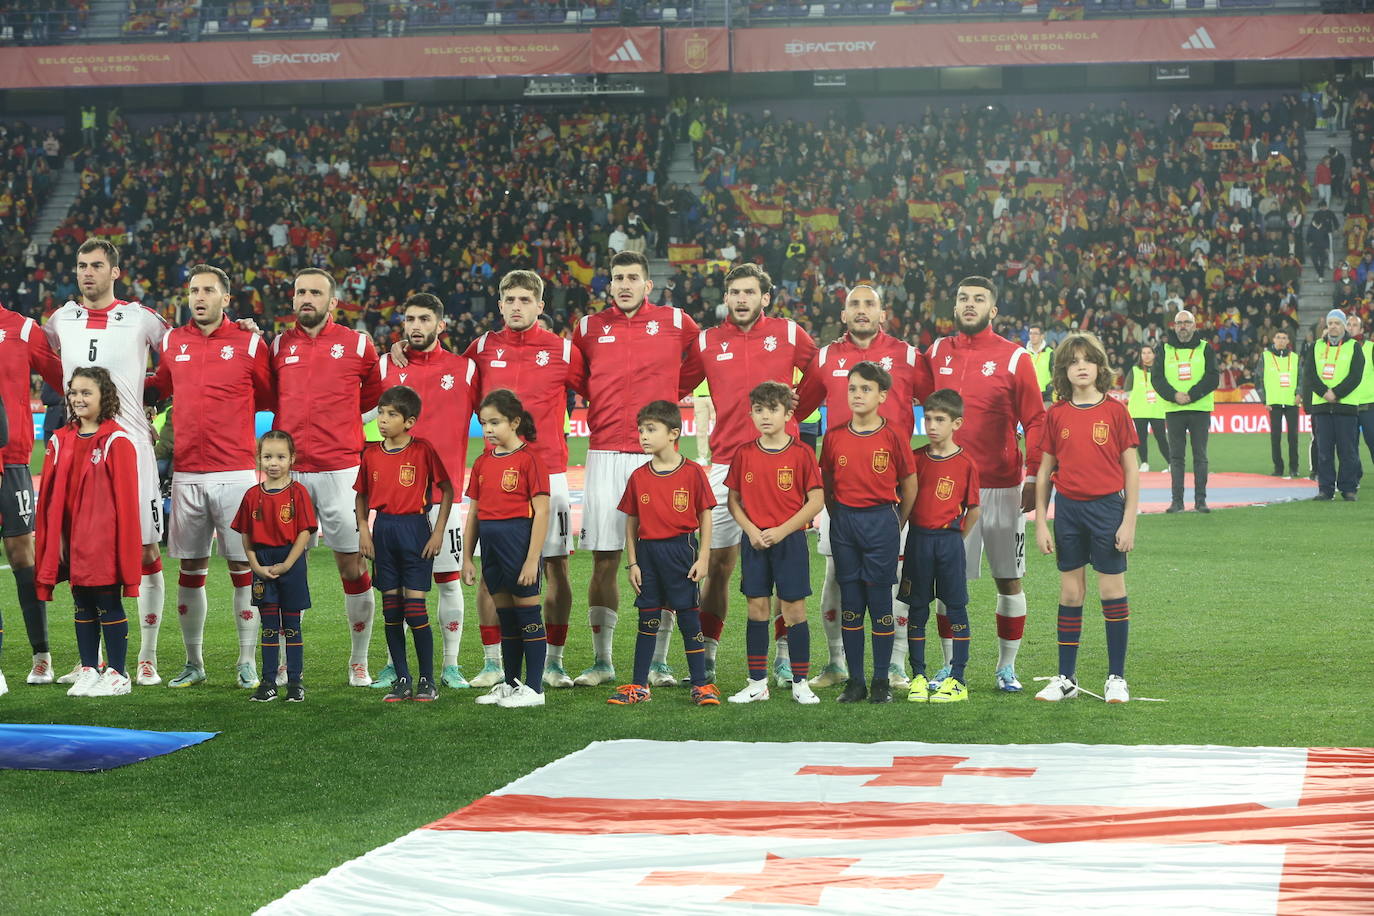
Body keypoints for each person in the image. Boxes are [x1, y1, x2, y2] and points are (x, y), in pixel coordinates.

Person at [679, 263, 817, 684]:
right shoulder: (707, 341)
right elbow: (676, 383)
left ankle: (781, 655)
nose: (741, 299)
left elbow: (821, 373)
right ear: (726, 297)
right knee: (718, 564)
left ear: (765, 297)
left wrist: (798, 412)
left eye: (749, 292)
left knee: (782, 563)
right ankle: (708, 654)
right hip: (726, 464)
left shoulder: (790, 334)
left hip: (781, 466)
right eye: (734, 292)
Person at [569, 251, 699, 688]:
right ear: (608, 285)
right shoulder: (588, 328)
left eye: (633, 278)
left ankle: (659, 663)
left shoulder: (678, 322)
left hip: (656, 456)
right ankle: (603, 661)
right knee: (605, 560)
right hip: (605, 452)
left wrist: (668, 392)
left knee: (663, 560)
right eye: (617, 278)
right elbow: (576, 377)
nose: (624, 285)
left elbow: (700, 361)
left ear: (649, 284)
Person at [44, 240, 170, 687]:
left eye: (97, 266)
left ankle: (146, 658)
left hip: (131, 452)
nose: (88, 273)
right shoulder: (61, 319)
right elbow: (42, 358)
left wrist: (154, 397)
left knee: (144, 550)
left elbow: (186, 353)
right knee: (82, 550)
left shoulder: (141, 318)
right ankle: (90, 662)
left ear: (115, 271)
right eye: (81, 266)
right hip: (79, 454)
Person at [796, 283, 931, 690]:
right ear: (843, 314)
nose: (860, 310)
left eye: (868, 304)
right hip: (841, 497)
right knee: (836, 579)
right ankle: (837, 663)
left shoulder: (908, 356)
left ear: (882, 312)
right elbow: (798, 411)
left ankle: (895, 666)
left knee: (894, 584)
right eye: (853, 304)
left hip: (890, 498)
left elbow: (940, 405)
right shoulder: (826, 356)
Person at [144, 264, 273, 690]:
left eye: (208, 291)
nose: (199, 297)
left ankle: (246, 661)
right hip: (187, 475)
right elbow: (158, 386)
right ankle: (194, 663)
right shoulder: (172, 340)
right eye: (194, 290)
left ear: (225, 299)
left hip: (236, 473)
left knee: (243, 568)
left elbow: (272, 393)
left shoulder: (249, 342)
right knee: (191, 569)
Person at [461, 272, 586, 689]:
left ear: (540, 305)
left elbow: (598, 391)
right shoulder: (480, 349)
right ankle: (493, 662)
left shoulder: (562, 351)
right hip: (495, 474)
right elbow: (453, 389)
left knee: (556, 566)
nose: (516, 306)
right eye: (509, 299)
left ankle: (554, 661)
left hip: (549, 473)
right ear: (499, 305)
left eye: (525, 299)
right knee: (491, 566)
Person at [924, 276, 1046, 693]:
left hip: (1000, 487)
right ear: (954, 306)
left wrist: (1032, 475)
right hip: (945, 489)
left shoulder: (1014, 358)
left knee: (1008, 578)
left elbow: (1036, 419)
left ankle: (1005, 668)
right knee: (946, 579)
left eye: (979, 300)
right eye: (963, 298)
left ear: (993, 310)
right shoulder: (937, 351)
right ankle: (947, 666)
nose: (969, 304)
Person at [270, 267, 383, 685]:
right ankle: (283, 661)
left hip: (341, 471)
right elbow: (267, 391)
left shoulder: (357, 345)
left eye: (315, 293)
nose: (307, 299)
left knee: (352, 565)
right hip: (290, 472)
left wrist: (341, 427)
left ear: (333, 302)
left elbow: (372, 394)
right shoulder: (278, 345)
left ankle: (358, 660)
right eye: (300, 291)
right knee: (282, 567)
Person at [372, 293, 478, 692]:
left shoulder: (465, 369)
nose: (415, 326)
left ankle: (450, 665)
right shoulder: (385, 365)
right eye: (410, 319)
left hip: (441, 500)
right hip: (394, 504)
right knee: (392, 586)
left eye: (424, 319)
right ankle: (391, 664)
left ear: (441, 325)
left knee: (449, 580)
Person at [1033, 333, 1139, 704]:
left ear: (1099, 367)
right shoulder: (1056, 414)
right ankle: (1066, 678)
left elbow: (1132, 471)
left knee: (1111, 591)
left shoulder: (1115, 412)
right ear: (1063, 370)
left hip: (1107, 509)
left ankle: (1116, 678)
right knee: (1071, 592)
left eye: (1087, 360)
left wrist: (1129, 522)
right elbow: (1045, 472)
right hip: (1069, 511)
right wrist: (1041, 522)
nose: (1080, 366)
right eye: (1073, 361)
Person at [35, 367, 142, 698]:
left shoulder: (116, 440)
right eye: (74, 392)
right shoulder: (61, 438)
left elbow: (125, 502)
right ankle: (88, 668)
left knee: (107, 601)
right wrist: (58, 536)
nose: (78, 399)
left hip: (102, 539)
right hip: (71, 536)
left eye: (86, 393)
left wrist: (119, 546)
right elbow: (53, 495)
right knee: (81, 603)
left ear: (103, 397)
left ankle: (118, 673)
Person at [606, 400, 718, 707]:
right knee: (648, 620)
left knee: (688, 619)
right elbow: (631, 521)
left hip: (682, 551)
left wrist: (704, 556)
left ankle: (700, 685)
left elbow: (705, 514)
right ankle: (639, 685)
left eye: (651, 429)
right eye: (641, 429)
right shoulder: (639, 476)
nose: (643, 435)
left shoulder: (693, 473)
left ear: (673, 433)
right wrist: (632, 562)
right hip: (648, 554)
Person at [820, 362, 917, 704]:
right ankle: (855, 681)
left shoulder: (893, 436)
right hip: (844, 523)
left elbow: (909, 484)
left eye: (865, 388)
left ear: (882, 395)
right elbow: (828, 486)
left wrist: (895, 522)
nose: (858, 394)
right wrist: (841, 518)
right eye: (852, 388)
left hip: (882, 523)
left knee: (879, 603)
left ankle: (881, 681)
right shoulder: (833, 436)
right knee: (851, 604)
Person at [724, 382, 825, 705]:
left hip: (789, 541)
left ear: (788, 413)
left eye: (772, 410)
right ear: (751, 413)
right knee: (757, 609)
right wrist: (751, 530)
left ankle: (800, 682)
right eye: (758, 410)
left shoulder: (801, 453)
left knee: (794, 610)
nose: (765, 416)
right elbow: (733, 501)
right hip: (754, 542)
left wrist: (782, 530)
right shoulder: (744, 453)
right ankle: (756, 683)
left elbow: (816, 500)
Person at [355, 386, 454, 703]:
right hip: (383, 531)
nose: (383, 420)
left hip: (415, 530)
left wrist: (437, 532)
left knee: (415, 609)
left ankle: (427, 679)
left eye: (391, 415)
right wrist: (364, 530)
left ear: (409, 422)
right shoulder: (370, 453)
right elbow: (361, 495)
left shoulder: (423, 450)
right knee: (392, 610)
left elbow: (447, 490)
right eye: (381, 413)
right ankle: (402, 679)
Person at [461, 390, 551, 708]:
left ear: (514, 422)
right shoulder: (483, 461)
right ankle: (512, 683)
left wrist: (531, 560)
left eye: (495, 422)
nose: (488, 429)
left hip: (518, 541)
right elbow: (474, 513)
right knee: (506, 617)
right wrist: (468, 558)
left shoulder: (530, 460)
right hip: (492, 546)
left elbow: (542, 512)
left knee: (527, 614)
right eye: (483, 423)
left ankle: (535, 688)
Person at [898, 388, 980, 704]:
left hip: (948, 542)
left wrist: (956, 539)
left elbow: (973, 509)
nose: (932, 425)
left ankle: (957, 679)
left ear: (956, 423)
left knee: (955, 608)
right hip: (918, 540)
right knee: (917, 609)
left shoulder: (966, 463)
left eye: (940, 419)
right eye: (928, 418)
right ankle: (918, 676)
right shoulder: (915, 459)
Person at [0, 295, 62, 686]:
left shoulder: (21, 328)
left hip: (14, 461)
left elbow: (60, 375)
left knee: (23, 554)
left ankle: (42, 656)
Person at [232, 430, 317, 703]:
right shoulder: (251, 495)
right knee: (269, 626)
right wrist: (256, 566)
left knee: (291, 626)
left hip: (290, 562)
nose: (273, 462)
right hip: (263, 564)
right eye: (267, 456)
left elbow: (305, 532)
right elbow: (246, 535)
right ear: (259, 458)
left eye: (280, 456)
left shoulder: (298, 492)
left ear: (292, 458)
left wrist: (288, 564)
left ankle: (295, 683)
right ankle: (268, 683)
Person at [1151, 309, 1219, 513]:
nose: (1182, 326)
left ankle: (1200, 501)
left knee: (1200, 456)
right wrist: (1174, 396)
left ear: (1194, 325)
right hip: (1174, 409)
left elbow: (1213, 377)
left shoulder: (1206, 348)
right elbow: (1157, 378)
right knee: (1176, 458)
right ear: (1174, 325)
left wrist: (1192, 394)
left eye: (1186, 322)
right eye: (1179, 322)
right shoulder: (1163, 349)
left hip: (1199, 408)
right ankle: (1177, 502)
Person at [1304, 309, 1365, 501]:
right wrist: (1325, 392)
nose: (1333, 326)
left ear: (1344, 326)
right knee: (1324, 451)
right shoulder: (1315, 346)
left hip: (1345, 406)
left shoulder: (1354, 347)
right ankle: (1326, 489)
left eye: (1337, 323)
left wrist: (1336, 393)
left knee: (1348, 451)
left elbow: (1355, 376)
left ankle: (1348, 488)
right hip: (1322, 407)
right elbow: (1310, 374)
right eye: (1330, 323)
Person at [1259, 328, 1301, 478]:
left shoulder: (1295, 357)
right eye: (1278, 337)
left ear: (1288, 341)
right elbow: (1258, 378)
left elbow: (1301, 378)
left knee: (1293, 437)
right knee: (1275, 437)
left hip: (1291, 402)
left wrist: (1299, 393)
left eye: (1284, 338)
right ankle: (1278, 468)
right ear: (1273, 340)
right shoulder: (1265, 356)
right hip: (1274, 402)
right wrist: (1264, 399)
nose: (1281, 340)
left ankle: (1294, 468)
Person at [1123, 345, 1168, 473]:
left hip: (1157, 409)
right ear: (1140, 355)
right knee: (1141, 439)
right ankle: (1144, 463)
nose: (1146, 355)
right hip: (1139, 410)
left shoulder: (1161, 370)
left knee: (1161, 438)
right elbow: (1127, 389)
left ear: (1154, 355)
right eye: (1143, 353)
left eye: (1149, 352)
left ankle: (1171, 463)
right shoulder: (1134, 370)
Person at [1345, 315, 1374, 467]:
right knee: (1350, 447)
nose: (1350, 327)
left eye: (1354, 325)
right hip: (1348, 405)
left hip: (1369, 406)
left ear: (1362, 329)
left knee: (1373, 443)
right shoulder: (1341, 349)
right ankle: (1354, 478)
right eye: (1348, 324)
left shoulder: (1371, 348)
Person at [1027, 323, 1054, 405]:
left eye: (1035, 333)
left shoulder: (1050, 352)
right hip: (1029, 394)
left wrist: (1050, 387)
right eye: (1030, 333)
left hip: (1046, 395)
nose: (1032, 336)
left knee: (1046, 417)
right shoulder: (1024, 353)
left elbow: (1055, 372)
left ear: (1042, 336)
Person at [692, 378, 714, 466]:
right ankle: (702, 457)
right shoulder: (695, 365)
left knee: (719, 427)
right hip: (698, 397)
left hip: (714, 395)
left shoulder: (713, 363)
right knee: (701, 430)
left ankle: (719, 454)